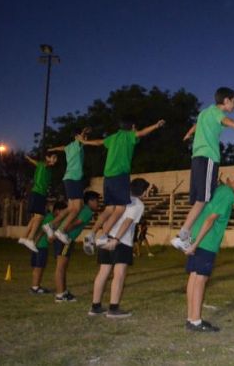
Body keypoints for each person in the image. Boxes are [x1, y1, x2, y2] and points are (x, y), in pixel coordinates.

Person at [171, 87, 234, 252]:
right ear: (226, 101)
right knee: (204, 199)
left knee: (200, 200)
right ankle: (182, 236)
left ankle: (184, 235)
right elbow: (225, 120)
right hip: (209, 158)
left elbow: (195, 126)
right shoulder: (216, 112)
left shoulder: (203, 114)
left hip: (197, 158)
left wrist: (188, 134)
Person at [183, 171, 234, 332]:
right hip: (206, 242)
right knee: (201, 279)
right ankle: (195, 321)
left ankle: (191, 318)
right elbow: (211, 218)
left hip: (199, 238)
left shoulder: (220, 189)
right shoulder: (228, 194)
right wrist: (196, 244)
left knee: (194, 277)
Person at [79, 117, 164, 252]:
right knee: (120, 209)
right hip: (120, 176)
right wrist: (156, 125)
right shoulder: (128, 135)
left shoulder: (112, 138)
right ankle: (103, 237)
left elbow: (97, 142)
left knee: (109, 209)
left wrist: (84, 141)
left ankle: (91, 234)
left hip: (108, 177)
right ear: (131, 127)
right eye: (134, 127)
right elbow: (141, 133)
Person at [88, 178, 150, 318]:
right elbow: (127, 222)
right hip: (121, 241)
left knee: (103, 273)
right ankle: (113, 308)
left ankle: (95, 306)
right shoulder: (138, 204)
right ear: (142, 191)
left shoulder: (120, 199)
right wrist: (116, 240)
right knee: (119, 274)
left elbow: (108, 215)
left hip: (106, 237)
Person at [44, 127, 89, 245]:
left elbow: (62, 147)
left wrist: (53, 148)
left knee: (70, 208)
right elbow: (79, 138)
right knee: (77, 208)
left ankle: (51, 225)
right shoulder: (77, 145)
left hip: (69, 178)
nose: (85, 138)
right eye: (83, 137)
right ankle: (60, 230)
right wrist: (83, 131)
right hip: (74, 179)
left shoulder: (69, 147)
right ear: (77, 137)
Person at [54, 191, 99, 302]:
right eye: (97, 201)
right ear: (91, 201)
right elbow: (75, 223)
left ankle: (63, 291)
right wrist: (64, 231)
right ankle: (60, 295)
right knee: (61, 267)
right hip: (66, 239)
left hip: (65, 238)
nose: (98, 204)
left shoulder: (84, 209)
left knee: (62, 267)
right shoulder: (87, 211)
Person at [18, 152, 58, 253]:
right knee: (39, 217)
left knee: (36, 217)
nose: (55, 160)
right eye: (53, 157)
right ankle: (30, 239)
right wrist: (49, 161)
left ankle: (23, 237)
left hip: (39, 194)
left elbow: (34, 162)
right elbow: (43, 163)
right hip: (38, 193)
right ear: (47, 157)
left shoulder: (45, 167)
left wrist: (29, 159)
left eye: (56, 159)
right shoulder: (44, 165)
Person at [29, 202, 66, 294]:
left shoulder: (47, 216)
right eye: (63, 212)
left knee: (36, 267)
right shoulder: (51, 218)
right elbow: (44, 230)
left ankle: (35, 285)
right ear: (57, 211)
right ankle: (35, 287)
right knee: (39, 267)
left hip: (37, 245)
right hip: (41, 246)